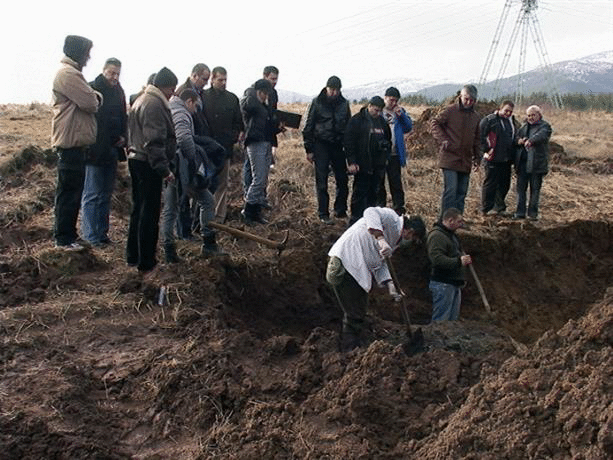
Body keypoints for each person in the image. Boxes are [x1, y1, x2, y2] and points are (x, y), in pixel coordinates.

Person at [326, 207, 426, 351]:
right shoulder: (391, 218)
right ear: (410, 231)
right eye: (412, 238)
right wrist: (380, 238)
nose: (410, 240)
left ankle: (353, 346)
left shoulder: (394, 241)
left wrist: (391, 285)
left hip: (356, 270)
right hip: (344, 263)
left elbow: (380, 264)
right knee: (355, 313)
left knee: (359, 309)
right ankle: (349, 349)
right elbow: (369, 212)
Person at [161, 89, 226, 261]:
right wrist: (193, 162)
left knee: (170, 209)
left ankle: (169, 250)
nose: (196, 111)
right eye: (196, 106)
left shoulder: (170, 107)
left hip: (171, 166)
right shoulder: (182, 113)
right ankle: (209, 244)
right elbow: (183, 138)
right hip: (181, 168)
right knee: (206, 201)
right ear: (189, 101)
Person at [51, 35, 102, 250]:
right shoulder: (68, 74)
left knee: (73, 192)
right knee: (69, 193)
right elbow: (91, 102)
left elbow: (90, 98)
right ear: (78, 52)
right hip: (70, 143)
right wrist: (95, 96)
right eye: (86, 52)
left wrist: (94, 95)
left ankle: (69, 235)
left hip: (75, 143)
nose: (88, 57)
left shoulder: (72, 74)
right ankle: (63, 239)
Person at [126, 67, 177, 275]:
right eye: (172, 89)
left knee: (138, 209)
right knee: (149, 213)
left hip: (136, 159)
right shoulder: (154, 104)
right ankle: (146, 261)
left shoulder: (142, 99)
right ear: (164, 87)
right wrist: (164, 170)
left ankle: (133, 256)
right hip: (147, 164)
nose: (172, 94)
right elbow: (154, 141)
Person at [80, 58, 127, 248]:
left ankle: (102, 233)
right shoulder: (92, 89)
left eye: (117, 73)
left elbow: (123, 117)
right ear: (104, 70)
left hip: (113, 150)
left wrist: (124, 137)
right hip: (94, 150)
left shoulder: (119, 91)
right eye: (112, 73)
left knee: (106, 194)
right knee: (92, 194)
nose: (115, 77)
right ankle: (91, 236)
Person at [302, 75, 351, 224]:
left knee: (342, 179)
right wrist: (309, 149)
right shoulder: (317, 102)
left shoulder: (344, 104)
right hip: (320, 144)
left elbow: (348, 127)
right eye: (332, 90)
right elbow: (308, 126)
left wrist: (349, 151)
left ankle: (340, 210)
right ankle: (323, 213)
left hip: (338, 145)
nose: (334, 93)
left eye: (337, 90)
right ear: (327, 88)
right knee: (321, 180)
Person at [430, 84, 481, 216]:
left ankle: (457, 220)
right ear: (461, 96)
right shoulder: (450, 111)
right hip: (450, 157)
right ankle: (445, 220)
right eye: (466, 99)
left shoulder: (476, 117)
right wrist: (443, 139)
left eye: (472, 100)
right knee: (451, 191)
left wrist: (477, 158)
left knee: (461, 193)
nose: (469, 102)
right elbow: (434, 123)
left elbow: (477, 139)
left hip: (466, 160)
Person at [202, 66, 244, 223]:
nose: (223, 83)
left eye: (225, 79)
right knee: (202, 183)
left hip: (224, 149)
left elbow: (238, 122)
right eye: (220, 80)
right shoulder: (203, 97)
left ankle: (218, 218)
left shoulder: (232, 99)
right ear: (212, 79)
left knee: (221, 184)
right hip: (205, 150)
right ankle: (200, 218)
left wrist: (234, 136)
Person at [344, 96, 392, 226]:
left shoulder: (382, 122)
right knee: (359, 194)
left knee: (374, 194)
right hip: (362, 164)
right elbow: (349, 142)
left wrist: (385, 157)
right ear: (369, 106)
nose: (377, 113)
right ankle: (355, 221)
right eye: (375, 110)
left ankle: (369, 222)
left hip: (378, 165)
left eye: (380, 111)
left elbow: (388, 141)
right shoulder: (357, 120)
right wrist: (352, 161)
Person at [426, 207, 472, 322]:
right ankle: (435, 340)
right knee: (441, 321)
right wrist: (459, 261)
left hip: (452, 284)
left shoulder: (451, 235)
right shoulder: (437, 236)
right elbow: (437, 259)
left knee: (451, 323)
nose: (461, 224)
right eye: (459, 221)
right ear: (450, 220)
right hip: (443, 284)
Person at [240, 79, 275, 225]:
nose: (266, 97)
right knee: (258, 178)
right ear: (258, 92)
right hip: (255, 142)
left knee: (263, 178)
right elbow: (246, 106)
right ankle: (247, 211)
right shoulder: (251, 101)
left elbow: (266, 125)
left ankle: (256, 212)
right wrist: (253, 93)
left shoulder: (262, 106)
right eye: (264, 94)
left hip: (266, 141)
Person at [377, 87, 413, 215]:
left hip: (394, 153)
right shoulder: (379, 111)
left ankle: (399, 208)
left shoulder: (400, 112)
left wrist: (401, 115)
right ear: (385, 98)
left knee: (395, 181)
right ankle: (380, 206)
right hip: (380, 153)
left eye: (395, 101)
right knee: (379, 181)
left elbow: (408, 127)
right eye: (391, 100)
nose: (393, 103)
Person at [479, 100, 517, 217]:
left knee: (505, 184)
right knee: (490, 184)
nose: (508, 113)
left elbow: (514, 137)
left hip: (506, 159)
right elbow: (479, 136)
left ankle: (499, 207)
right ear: (500, 109)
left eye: (510, 112)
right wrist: (486, 149)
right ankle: (486, 208)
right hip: (492, 158)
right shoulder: (489, 120)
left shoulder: (511, 122)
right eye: (506, 110)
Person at [514, 105, 552, 220]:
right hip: (522, 165)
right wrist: (520, 141)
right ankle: (520, 213)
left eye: (533, 115)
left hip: (537, 165)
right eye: (529, 115)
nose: (530, 117)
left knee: (535, 190)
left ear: (539, 115)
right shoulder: (524, 127)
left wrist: (531, 141)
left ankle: (532, 214)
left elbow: (542, 136)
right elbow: (516, 138)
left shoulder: (545, 126)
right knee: (521, 190)